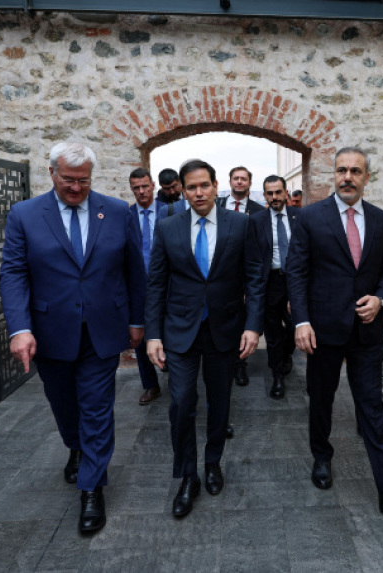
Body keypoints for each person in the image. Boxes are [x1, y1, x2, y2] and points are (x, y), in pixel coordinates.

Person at [0, 142, 146, 534]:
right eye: (68, 179)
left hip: (102, 330)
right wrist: (20, 328)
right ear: (52, 173)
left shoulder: (117, 212)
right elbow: (13, 273)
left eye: (84, 180)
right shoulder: (25, 215)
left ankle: (92, 487)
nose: (76, 188)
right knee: (64, 404)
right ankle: (75, 446)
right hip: (50, 332)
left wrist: (137, 320)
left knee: (97, 407)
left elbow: (135, 271)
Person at [287, 147, 383, 514]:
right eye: (342, 170)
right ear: (334, 174)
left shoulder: (381, 220)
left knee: (372, 405)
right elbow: (296, 272)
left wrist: (381, 298)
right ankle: (321, 456)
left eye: (355, 171)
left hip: (366, 330)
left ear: (367, 177)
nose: (347, 177)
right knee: (322, 399)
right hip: (322, 329)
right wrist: (301, 322)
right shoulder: (310, 218)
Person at [146, 159, 264, 518]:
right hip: (179, 330)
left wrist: (253, 326)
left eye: (204, 185)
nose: (199, 193)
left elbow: (254, 277)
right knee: (181, 402)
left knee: (220, 400)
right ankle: (187, 476)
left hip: (224, 329)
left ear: (216, 186)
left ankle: (213, 461)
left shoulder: (241, 224)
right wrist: (153, 335)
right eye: (191, 187)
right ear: (182, 191)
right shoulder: (168, 227)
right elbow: (156, 283)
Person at [249, 175, 300, 399]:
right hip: (270, 282)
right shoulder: (256, 221)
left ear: (286, 193)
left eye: (278, 192)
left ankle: (287, 353)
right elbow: (251, 257)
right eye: (269, 193)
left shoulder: (300, 217)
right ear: (264, 196)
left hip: (295, 281)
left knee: (294, 325)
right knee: (272, 332)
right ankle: (277, 376)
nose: (274, 197)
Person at [216, 166, 264, 387]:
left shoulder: (258, 211)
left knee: (241, 323)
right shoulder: (217, 206)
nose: (239, 182)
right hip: (220, 275)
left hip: (244, 275)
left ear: (249, 183)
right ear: (230, 181)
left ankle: (240, 365)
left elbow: (260, 247)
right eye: (236, 178)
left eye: (243, 179)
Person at [128, 168, 165, 405]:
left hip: (167, 285)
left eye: (145, 186)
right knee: (139, 338)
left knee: (171, 332)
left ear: (152, 185)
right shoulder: (125, 215)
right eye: (136, 188)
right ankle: (150, 385)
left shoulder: (169, 211)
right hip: (137, 286)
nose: (141, 191)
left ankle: (175, 374)